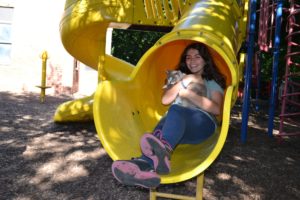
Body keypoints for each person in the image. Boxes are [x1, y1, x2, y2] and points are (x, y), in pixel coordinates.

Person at [111, 42, 226, 189]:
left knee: (176, 110)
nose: (192, 61)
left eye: (197, 57)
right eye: (188, 58)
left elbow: (216, 109)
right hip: (177, 127)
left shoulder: (212, 83)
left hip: (202, 124)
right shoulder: (180, 78)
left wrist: (188, 94)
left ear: (205, 60)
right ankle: (143, 167)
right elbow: (165, 100)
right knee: (165, 120)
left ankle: (162, 151)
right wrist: (185, 80)